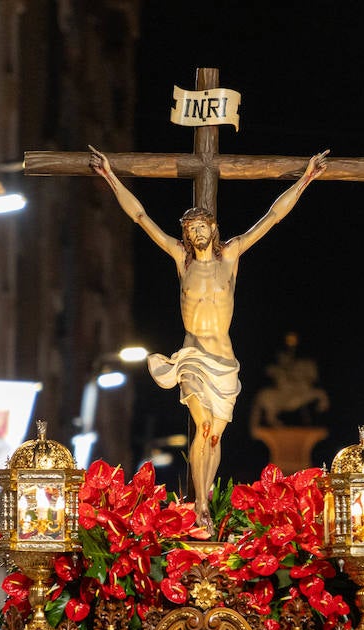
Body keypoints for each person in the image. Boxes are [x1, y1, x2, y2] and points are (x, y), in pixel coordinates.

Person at [90, 145, 329, 528]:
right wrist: (109, 175)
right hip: (192, 355)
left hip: (223, 360)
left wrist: (306, 178)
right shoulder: (180, 260)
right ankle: (200, 503)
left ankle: (204, 501)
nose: (196, 233)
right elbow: (140, 217)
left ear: (213, 229)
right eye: (190, 230)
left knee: (214, 438)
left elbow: (271, 218)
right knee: (201, 427)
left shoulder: (229, 257)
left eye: (202, 227)